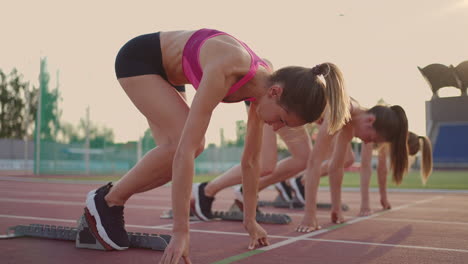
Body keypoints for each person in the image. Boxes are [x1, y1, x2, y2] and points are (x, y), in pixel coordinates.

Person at [83, 28, 351, 264]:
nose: (278, 128)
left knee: (172, 155)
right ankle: (108, 201)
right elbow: (185, 152)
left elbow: (250, 161)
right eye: (282, 120)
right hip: (140, 59)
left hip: (171, 73)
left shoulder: (262, 90)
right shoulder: (227, 67)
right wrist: (180, 233)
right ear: (276, 92)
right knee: (185, 146)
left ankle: (107, 199)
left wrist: (250, 221)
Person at [294, 100, 409, 232]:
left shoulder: (348, 126)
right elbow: (315, 161)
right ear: (370, 121)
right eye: (371, 138)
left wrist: (336, 208)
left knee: (347, 159)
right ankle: (292, 182)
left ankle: (292, 182)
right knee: (298, 160)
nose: (367, 142)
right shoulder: (341, 112)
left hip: (293, 114)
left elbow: (336, 166)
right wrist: (309, 216)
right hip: (286, 103)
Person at [358, 131, 433, 215]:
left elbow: (382, 169)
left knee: (348, 160)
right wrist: (365, 205)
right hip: (346, 126)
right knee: (349, 159)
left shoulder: (389, 137)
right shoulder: (380, 129)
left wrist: (384, 198)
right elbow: (365, 165)